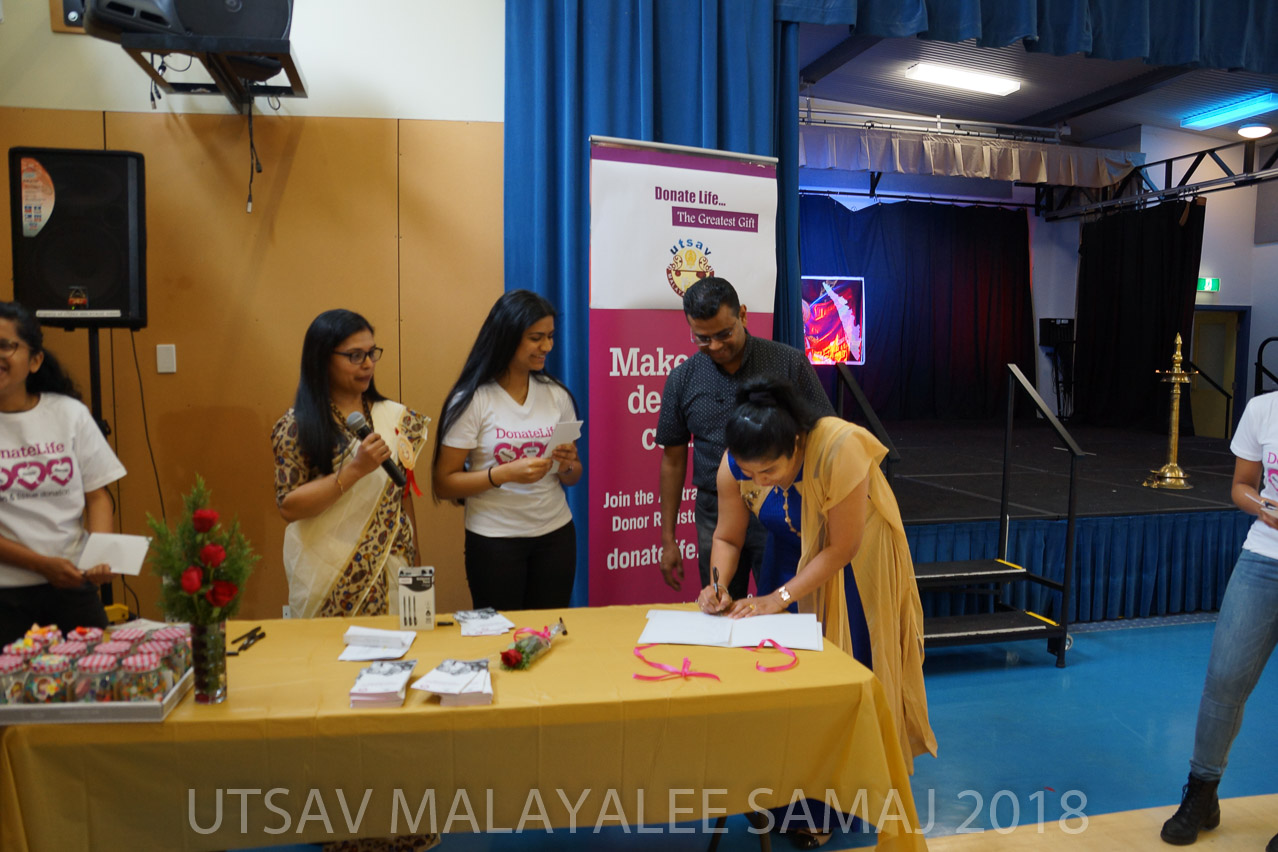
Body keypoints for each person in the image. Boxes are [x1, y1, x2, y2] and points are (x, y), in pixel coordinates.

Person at [697, 377, 937, 775]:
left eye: (770, 470)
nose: (760, 481)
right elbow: (727, 537)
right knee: (781, 672)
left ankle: (845, 784)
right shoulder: (735, 463)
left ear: (796, 444)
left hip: (852, 569)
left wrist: (779, 598)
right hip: (787, 557)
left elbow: (842, 548)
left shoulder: (840, 448)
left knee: (844, 670)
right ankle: (786, 778)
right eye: (751, 473)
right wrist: (718, 584)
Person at [657, 278, 833, 602]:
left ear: (743, 315)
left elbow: (825, 435)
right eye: (703, 338)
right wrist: (668, 538)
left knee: (784, 602)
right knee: (719, 601)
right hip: (714, 507)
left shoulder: (788, 363)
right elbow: (673, 460)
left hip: (781, 502)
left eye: (724, 334)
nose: (715, 346)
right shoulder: (682, 378)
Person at [1160, 391, 1278, 851]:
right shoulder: (1263, 409)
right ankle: (1202, 794)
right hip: (1263, 558)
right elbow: (1242, 486)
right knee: (1225, 679)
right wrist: (1263, 508)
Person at [273, 309, 429, 619]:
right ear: (322, 359)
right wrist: (355, 469)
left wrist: (416, 565)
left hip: (394, 567)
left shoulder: (395, 417)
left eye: (372, 353)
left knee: (406, 648)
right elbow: (289, 506)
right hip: (329, 577)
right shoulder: (297, 426)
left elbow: (401, 496)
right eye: (355, 356)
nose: (368, 364)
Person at [432, 290, 582, 610]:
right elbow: (444, 483)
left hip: (555, 535)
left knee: (548, 632)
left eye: (550, 337)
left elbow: (572, 476)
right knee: (501, 633)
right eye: (536, 338)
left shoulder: (556, 395)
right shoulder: (473, 399)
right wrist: (502, 474)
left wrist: (568, 464)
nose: (547, 347)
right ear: (506, 337)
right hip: (494, 540)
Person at [0, 301, 125, 645]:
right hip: (6, 598)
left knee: (97, 673)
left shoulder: (70, 414)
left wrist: (99, 553)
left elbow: (97, 496)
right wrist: (42, 565)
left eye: (5, 345)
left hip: (72, 588)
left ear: (35, 360)